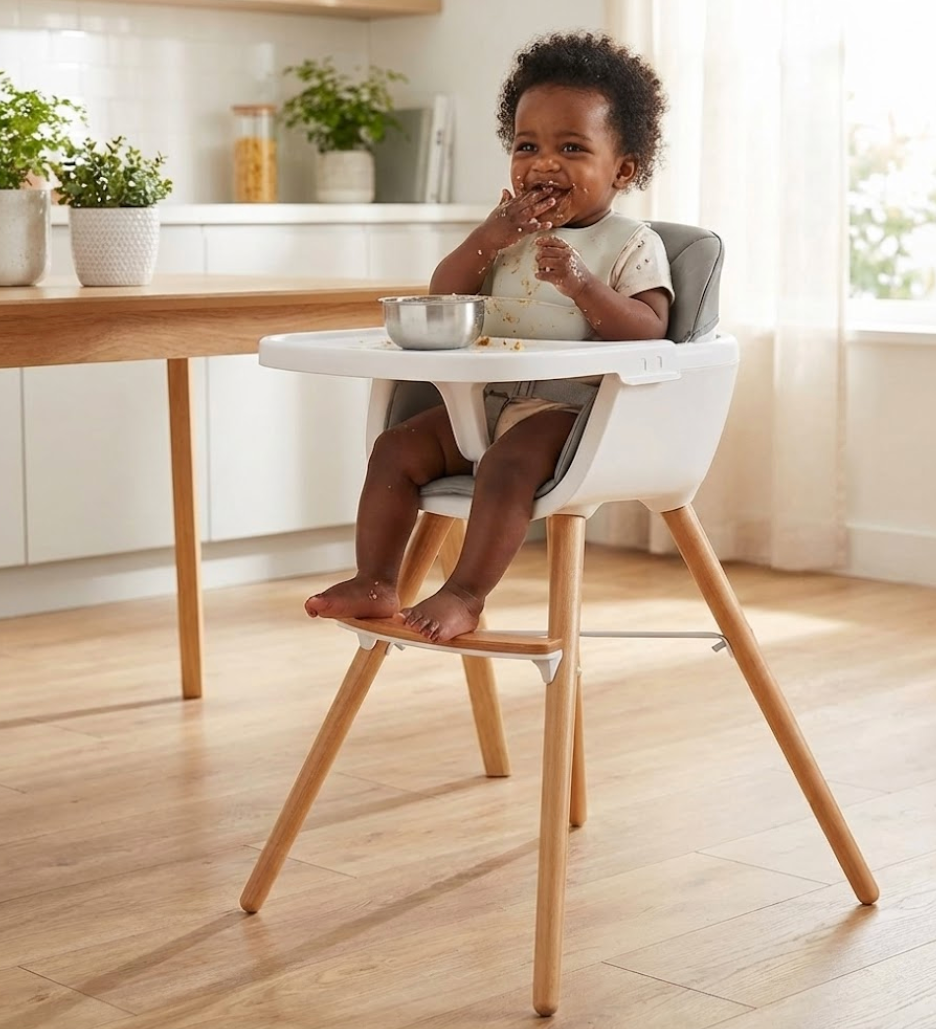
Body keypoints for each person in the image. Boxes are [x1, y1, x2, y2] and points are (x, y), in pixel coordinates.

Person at [306, 30, 673, 642]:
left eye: (573, 147)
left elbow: (651, 329)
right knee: (396, 448)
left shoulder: (632, 244)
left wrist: (584, 286)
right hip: (482, 402)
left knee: (507, 466)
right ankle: (375, 579)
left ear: (623, 169)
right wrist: (486, 240)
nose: (544, 163)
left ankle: (466, 592)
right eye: (527, 144)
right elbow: (444, 292)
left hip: (573, 409)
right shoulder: (508, 236)